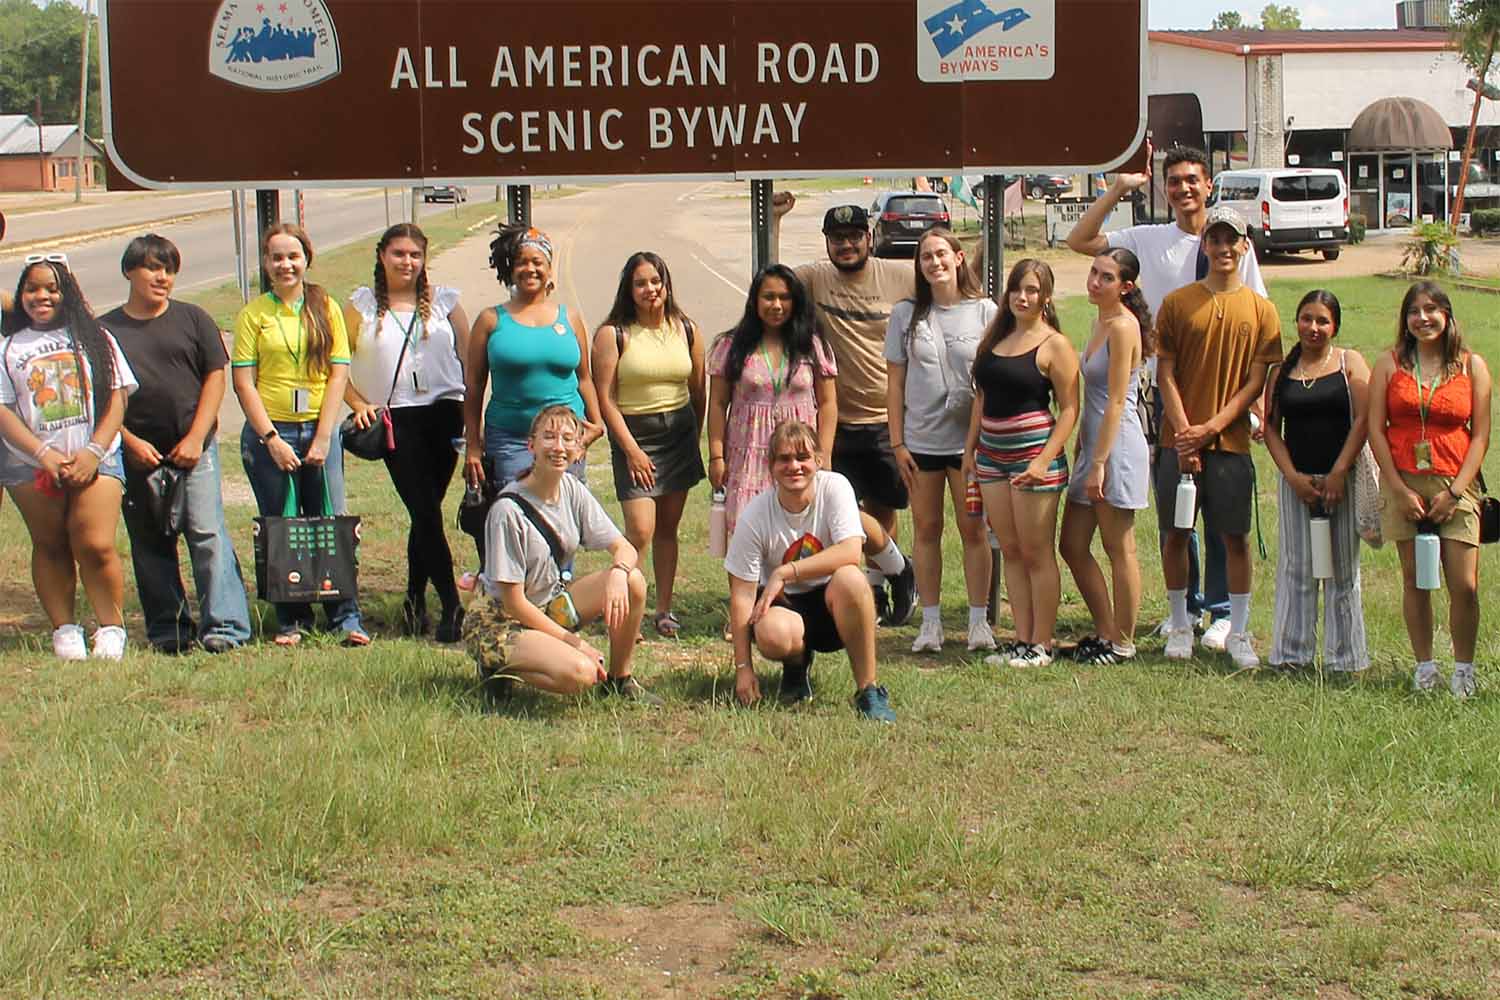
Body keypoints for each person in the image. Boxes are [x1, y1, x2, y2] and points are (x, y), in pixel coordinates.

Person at [1067, 145, 1267, 651]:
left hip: (1220, 390)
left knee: (1221, 507)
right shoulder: (1149, 238)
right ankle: (1187, 607)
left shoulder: (1231, 246)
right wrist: (1119, 187)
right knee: (1177, 504)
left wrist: (1257, 403)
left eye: (1192, 180)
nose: (1183, 189)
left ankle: (1222, 610)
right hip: (1163, 393)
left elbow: (1255, 316)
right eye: (1173, 181)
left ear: (1209, 184)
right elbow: (1079, 239)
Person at [102, 234, 252, 654]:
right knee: (150, 543)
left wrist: (196, 438)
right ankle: (169, 630)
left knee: (207, 533)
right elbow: (99, 396)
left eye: (169, 270)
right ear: (129, 271)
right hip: (137, 454)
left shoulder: (194, 318)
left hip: (195, 449)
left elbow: (215, 377)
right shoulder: (105, 330)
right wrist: (128, 441)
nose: (162, 277)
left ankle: (226, 627)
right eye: (153, 268)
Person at [773, 196, 916, 625]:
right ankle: (890, 573)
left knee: (884, 508)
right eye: (838, 238)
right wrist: (774, 221)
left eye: (854, 236)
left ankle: (879, 587)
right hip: (834, 421)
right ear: (826, 242)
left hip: (888, 419)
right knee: (842, 512)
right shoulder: (816, 279)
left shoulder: (899, 275)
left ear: (869, 237)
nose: (847, 245)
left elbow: (949, 287)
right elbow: (773, 282)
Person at [1155, 206, 1282, 668]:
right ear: (1205, 245)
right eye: (1216, 239)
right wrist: (1184, 432)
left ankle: (1238, 631)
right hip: (1177, 444)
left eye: (1233, 240)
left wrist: (1211, 427)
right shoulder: (1177, 303)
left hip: (1230, 444)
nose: (1224, 248)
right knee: (1176, 533)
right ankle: (1180, 623)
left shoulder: (1262, 310)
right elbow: (1164, 372)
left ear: (1245, 246)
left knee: (1234, 538)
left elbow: (1255, 381)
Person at [233, 223, 370, 647]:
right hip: (270, 434)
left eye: (293, 256)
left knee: (331, 522)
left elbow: (338, 374)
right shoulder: (254, 314)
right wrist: (271, 439)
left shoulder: (325, 307)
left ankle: (345, 616)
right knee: (282, 525)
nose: (285, 265)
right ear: (266, 263)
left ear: (306, 259)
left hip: (317, 428)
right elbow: (244, 383)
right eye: (276, 257)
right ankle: (291, 617)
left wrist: (324, 437)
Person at [464, 404, 657, 703]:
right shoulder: (507, 511)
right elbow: (514, 603)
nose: (558, 447)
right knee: (582, 673)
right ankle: (498, 668)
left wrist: (619, 574)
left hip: (548, 605)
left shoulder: (571, 488)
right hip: (500, 621)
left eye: (568, 439)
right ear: (531, 445)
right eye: (549, 437)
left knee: (633, 581)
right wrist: (575, 643)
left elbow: (624, 548)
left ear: (579, 449)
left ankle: (620, 680)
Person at [0, 254, 137, 659]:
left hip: (96, 457)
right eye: (32, 288)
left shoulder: (97, 337)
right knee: (50, 543)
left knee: (94, 543)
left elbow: (117, 397)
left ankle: (111, 627)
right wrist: (42, 454)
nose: (41, 296)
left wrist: (94, 451)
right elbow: (4, 410)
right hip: (29, 463)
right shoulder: (8, 347)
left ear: (69, 292)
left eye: (52, 288)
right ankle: (64, 629)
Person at [343, 224, 470, 643]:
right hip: (396, 417)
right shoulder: (361, 306)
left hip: (446, 412)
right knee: (425, 510)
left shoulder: (446, 302)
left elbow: (471, 363)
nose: (407, 262)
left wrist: (474, 421)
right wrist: (357, 403)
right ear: (382, 256)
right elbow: (333, 365)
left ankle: (415, 599)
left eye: (415, 254)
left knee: (425, 510)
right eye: (398, 253)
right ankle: (451, 604)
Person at [724, 419, 895, 722]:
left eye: (802, 457)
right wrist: (743, 669)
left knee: (852, 578)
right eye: (784, 459)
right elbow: (741, 595)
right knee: (773, 633)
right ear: (770, 466)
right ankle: (795, 667)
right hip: (786, 606)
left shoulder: (836, 487)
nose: (794, 466)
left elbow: (851, 551)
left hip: (834, 604)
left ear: (818, 459)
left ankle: (868, 689)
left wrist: (784, 572)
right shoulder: (754, 515)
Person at [1367, 282, 1491, 697]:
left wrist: (1455, 493)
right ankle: (1425, 668)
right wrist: (1398, 489)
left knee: (1464, 585)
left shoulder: (1472, 366)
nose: (1423, 318)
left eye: (1432, 309)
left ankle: (1464, 671)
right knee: (1415, 579)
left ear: (1447, 315)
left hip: (1455, 484)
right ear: (1405, 320)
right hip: (1404, 483)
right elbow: (1376, 429)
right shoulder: (1389, 364)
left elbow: (1480, 435)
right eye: (1414, 311)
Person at [884, 227, 997, 654]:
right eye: (926, 257)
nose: (934, 263)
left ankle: (978, 621)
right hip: (921, 443)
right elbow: (895, 384)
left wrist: (979, 442)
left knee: (974, 529)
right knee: (927, 528)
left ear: (958, 257)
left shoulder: (985, 311)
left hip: (970, 444)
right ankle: (930, 623)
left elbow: (992, 380)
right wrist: (898, 444)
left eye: (941, 254)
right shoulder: (906, 315)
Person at [964, 259, 1079, 668]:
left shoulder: (1055, 345)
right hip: (991, 458)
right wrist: (970, 451)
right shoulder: (996, 338)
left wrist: (1043, 461)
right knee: (1010, 550)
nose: (1022, 297)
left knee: (1036, 553)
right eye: (1016, 289)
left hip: (1033, 458)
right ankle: (1021, 639)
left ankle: (1042, 643)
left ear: (1045, 297)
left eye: (1031, 290)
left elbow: (1069, 409)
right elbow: (981, 398)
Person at [591, 251, 705, 638]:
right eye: (640, 283)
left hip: (679, 434)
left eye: (656, 281)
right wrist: (632, 451)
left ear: (666, 284)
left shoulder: (686, 328)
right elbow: (606, 399)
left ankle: (664, 610)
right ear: (628, 289)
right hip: (635, 436)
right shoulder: (613, 334)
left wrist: (694, 437)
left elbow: (699, 390)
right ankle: (627, 609)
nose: (649, 289)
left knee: (667, 530)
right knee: (640, 530)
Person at [463, 224, 603, 521]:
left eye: (537, 262)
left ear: (549, 269)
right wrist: (473, 445)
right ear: (511, 269)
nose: (530, 269)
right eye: (521, 262)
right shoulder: (490, 320)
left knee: (564, 520)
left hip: (565, 439)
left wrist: (597, 424)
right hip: (510, 440)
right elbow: (474, 385)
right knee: (517, 519)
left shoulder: (570, 318)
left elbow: (584, 379)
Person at [1262, 290, 1370, 673]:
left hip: (1342, 481)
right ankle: (1292, 654)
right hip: (1298, 483)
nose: (1313, 327)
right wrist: (1292, 477)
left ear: (1334, 326)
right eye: (1307, 318)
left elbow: (1364, 419)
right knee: (1297, 567)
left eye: (1322, 320)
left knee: (1342, 570)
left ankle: (1346, 658)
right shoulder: (1281, 371)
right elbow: (1270, 428)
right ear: (1297, 321)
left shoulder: (1348, 362)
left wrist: (1339, 472)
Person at [1059, 249, 1152, 665]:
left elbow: (1116, 400)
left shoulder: (1124, 327)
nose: (1095, 282)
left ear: (1126, 287)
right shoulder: (1100, 320)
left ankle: (1124, 644)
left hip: (1117, 449)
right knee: (1072, 544)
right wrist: (1084, 447)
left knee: (1119, 547)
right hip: (1093, 446)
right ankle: (1105, 631)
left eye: (1107, 277)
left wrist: (1099, 463)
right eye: (1094, 272)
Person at [707, 264, 837, 538]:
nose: (777, 305)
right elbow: (717, 404)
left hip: (798, 458)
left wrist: (823, 455)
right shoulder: (731, 346)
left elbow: (828, 404)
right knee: (747, 535)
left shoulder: (812, 345)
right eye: (768, 297)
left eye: (784, 297)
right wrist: (717, 457)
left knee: (799, 536)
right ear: (754, 301)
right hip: (748, 457)